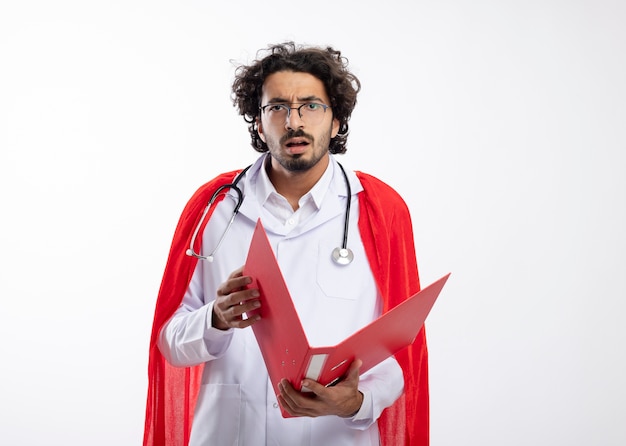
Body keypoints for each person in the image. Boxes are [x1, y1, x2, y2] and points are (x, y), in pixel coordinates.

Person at [143, 42, 429, 446]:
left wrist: (356, 401)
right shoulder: (215, 208)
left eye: (311, 106)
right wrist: (217, 318)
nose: (293, 121)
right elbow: (170, 343)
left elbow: (400, 355)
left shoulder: (379, 212)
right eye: (276, 107)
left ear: (335, 121)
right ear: (259, 124)